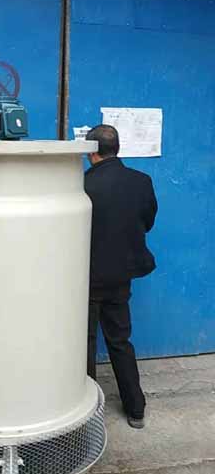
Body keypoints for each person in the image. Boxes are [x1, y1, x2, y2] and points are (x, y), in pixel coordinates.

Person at [84, 124, 158, 429]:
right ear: (117, 148)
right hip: (121, 277)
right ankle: (135, 409)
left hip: (86, 278)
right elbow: (147, 222)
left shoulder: (82, 185)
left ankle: (87, 413)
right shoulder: (141, 182)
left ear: (91, 151)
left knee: (85, 344)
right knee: (120, 341)